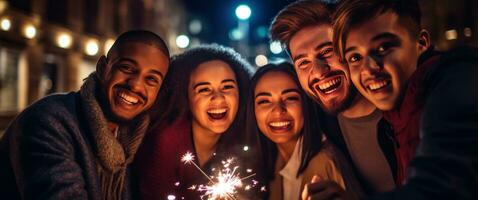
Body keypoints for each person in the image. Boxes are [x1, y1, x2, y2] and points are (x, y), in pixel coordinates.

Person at [303, 0, 478, 199]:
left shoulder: (454, 80)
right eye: (355, 58)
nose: (369, 68)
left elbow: (439, 189)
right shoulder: (393, 119)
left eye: (383, 47)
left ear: (421, 43)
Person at [0, 30, 170, 200]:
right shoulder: (48, 120)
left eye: (151, 79)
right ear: (103, 67)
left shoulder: (135, 140)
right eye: (126, 68)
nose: (136, 85)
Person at [269, 0, 399, 195]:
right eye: (303, 62)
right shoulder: (319, 125)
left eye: (327, 51)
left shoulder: (408, 111)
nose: (319, 72)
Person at [135, 44, 255, 199]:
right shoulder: (165, 140)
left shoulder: (245, 136)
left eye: (227, 87)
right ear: (186, 97)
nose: (218, 97)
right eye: (204, 89)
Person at [246, 62, 362, 200]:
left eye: (291, 98)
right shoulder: (271, 163)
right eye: (264, 101)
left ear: (306, 104)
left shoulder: (326, 164)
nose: (278, 110)